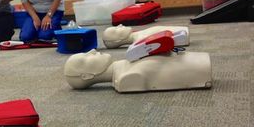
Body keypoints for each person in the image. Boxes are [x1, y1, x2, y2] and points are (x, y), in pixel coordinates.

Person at [64, 49, 213, 92]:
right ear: (87, 75)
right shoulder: (127, 77)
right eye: (85, 58)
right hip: (201, 68)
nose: (92, 50)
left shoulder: (127, 63)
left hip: (199, 62)